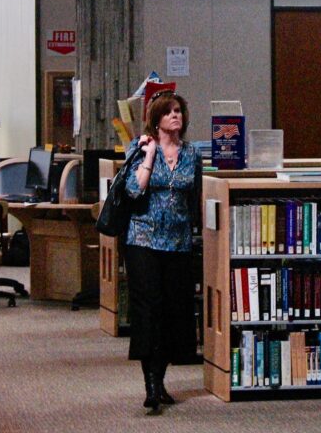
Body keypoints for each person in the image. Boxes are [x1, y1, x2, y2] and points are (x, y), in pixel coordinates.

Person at [123, 90, 201, 414]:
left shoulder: (192, 154)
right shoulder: (140, 149)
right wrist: (150, 155)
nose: (175, 116)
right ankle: (150, 384)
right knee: (148, 310)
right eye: (169, 112)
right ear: (156, 120)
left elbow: (194, 196)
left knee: (172, 311)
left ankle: (161, 377)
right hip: (143, 240)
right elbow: (133, 189)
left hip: (179, 243)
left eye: (179, 111)